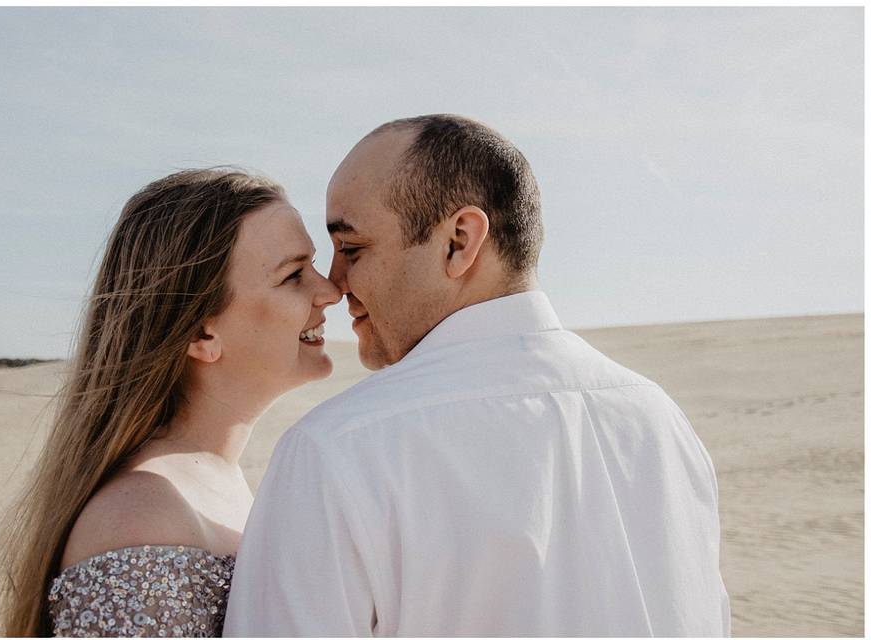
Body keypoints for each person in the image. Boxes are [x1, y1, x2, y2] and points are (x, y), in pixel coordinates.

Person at [224, 115, 730, 636]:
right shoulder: (663, 422)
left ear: (459, 242)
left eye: (352, 249)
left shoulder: (338, 450)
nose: (334, 283)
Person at [0, 169, 341, 636]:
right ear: (200, 332)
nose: (330, 290)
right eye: (294, 275)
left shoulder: (214, 482)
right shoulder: (140, 518)